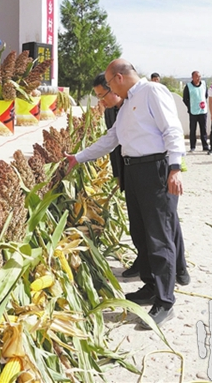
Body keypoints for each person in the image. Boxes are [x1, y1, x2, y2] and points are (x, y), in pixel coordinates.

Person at [65, 59, 187, 328]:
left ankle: (165, 301)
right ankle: (150, 286)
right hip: (134, 173)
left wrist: (175, 167)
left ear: (118, 77)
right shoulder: (128, 103)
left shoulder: (152, 92)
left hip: (155, 169)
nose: (108, 90)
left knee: (159, 236)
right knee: (140, 233)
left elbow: (172, 130)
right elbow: (112, 138)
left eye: (107, 84)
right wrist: (78, 157)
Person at [182, 71, 210, 152]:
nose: (198, 78)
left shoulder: (204, 84)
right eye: (196, 76)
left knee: (203, 129)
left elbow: (206, 95)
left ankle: (205, 145)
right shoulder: (188, 86)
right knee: (193, 129)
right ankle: (192, 146)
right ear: (192, 77)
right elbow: (185, 99)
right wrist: (190, 106)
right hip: (193, 111)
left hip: (203, 111)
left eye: (199, 76)